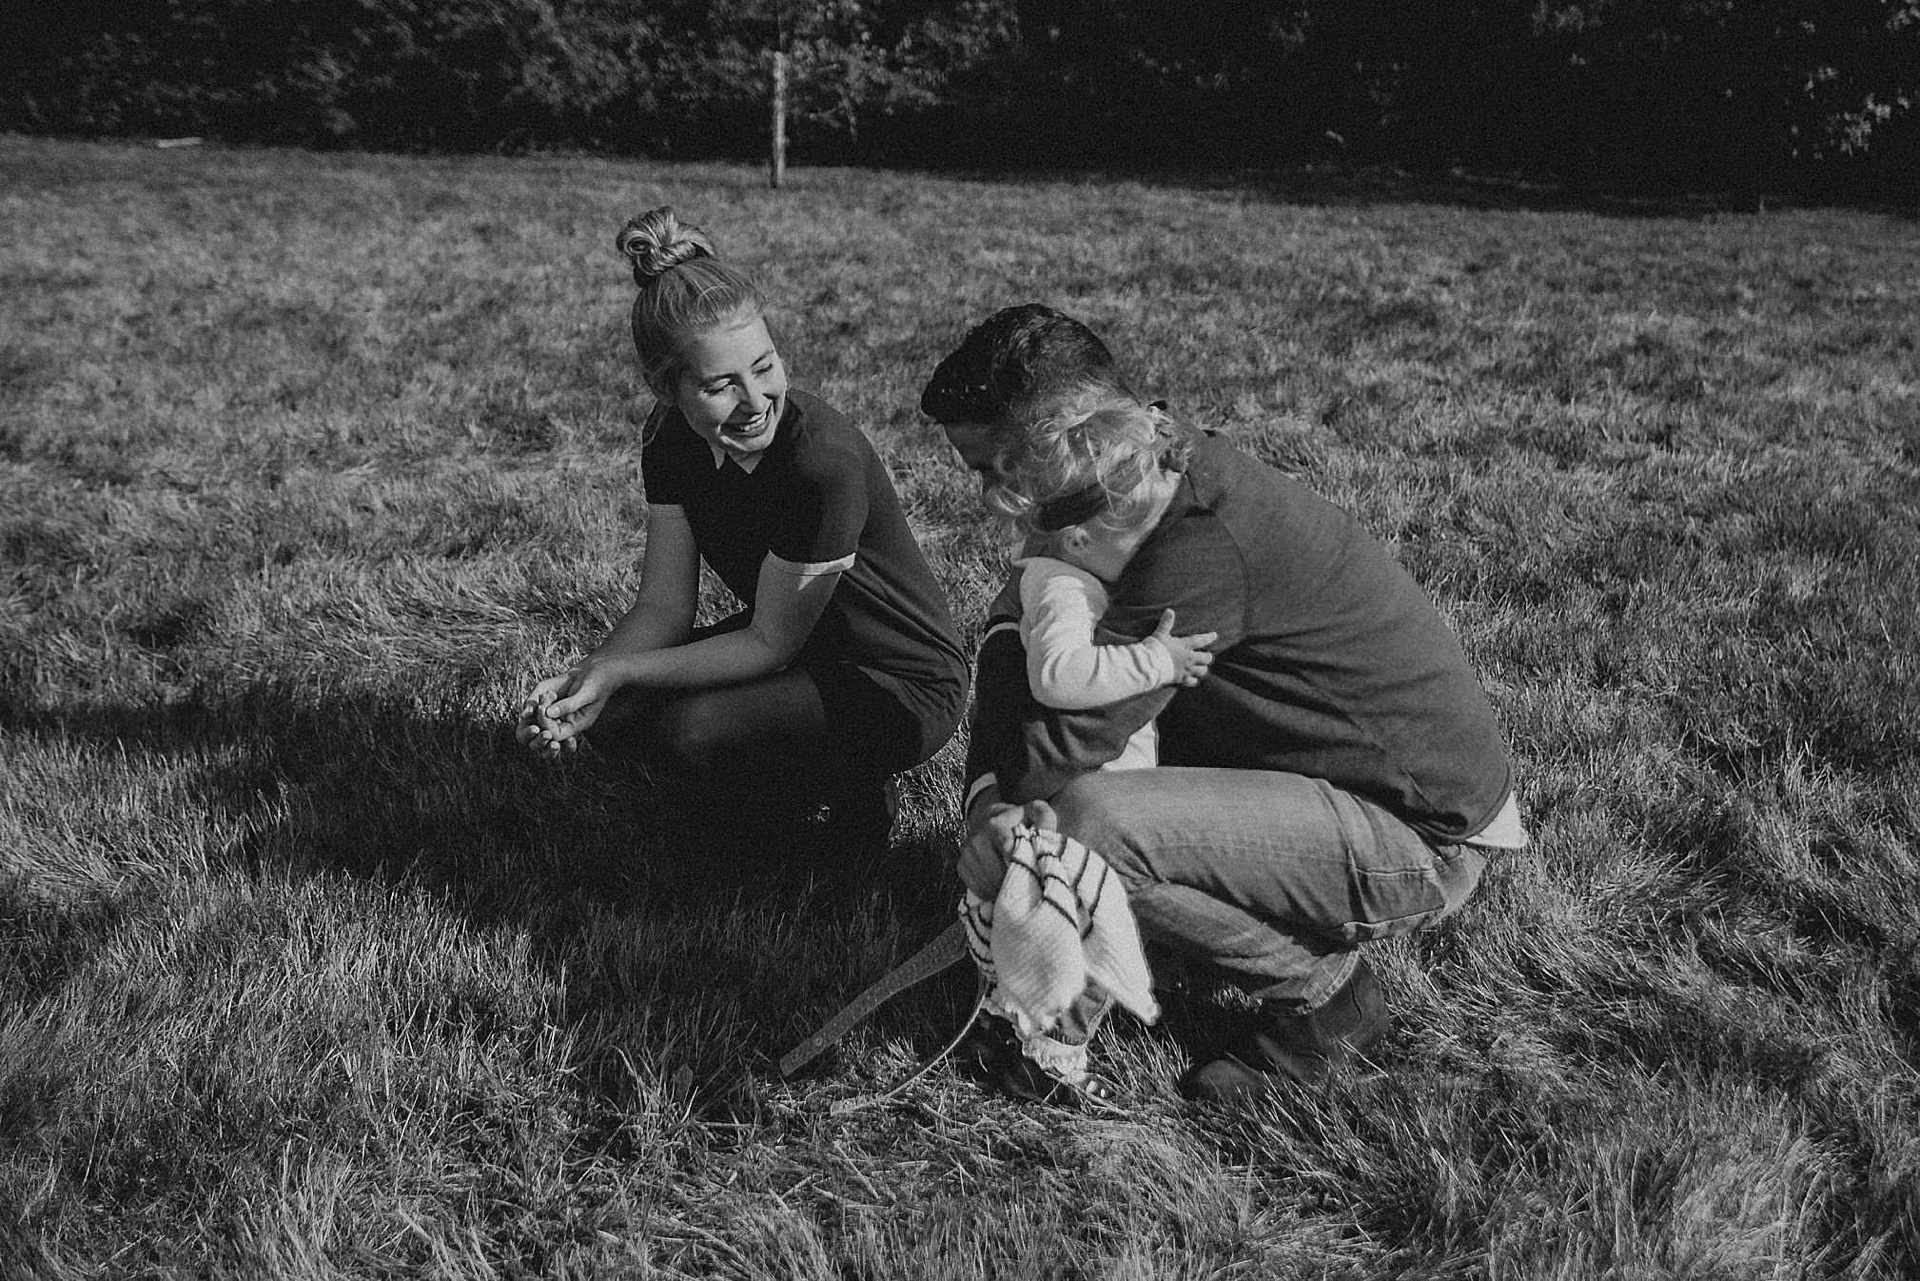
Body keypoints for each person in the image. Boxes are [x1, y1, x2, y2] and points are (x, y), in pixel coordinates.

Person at [920, 303, 1529, 1106]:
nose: (993, 493)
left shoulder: (1198, 542)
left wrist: (1005, 812)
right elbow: (1020, 647)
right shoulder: (1131, 491)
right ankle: (1134, 955)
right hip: (1299, 770)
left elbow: (1064, 746)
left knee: (1085, 824)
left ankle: (1326, 994)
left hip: (1421, 838)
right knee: (1034, 635)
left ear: (1073, 439)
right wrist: (989, 802)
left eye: (996, 467)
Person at [515, 207, 969, 845]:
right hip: (799, 644)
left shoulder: (820, 463)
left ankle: (850, 795)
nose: (756, 401)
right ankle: (795, 786)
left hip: (895, 678)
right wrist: (586, 683)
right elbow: (664, 607)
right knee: (612, 718)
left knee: (693, 732)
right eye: (720, 385)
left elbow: (768, 646)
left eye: (764, 366)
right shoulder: (668, 442)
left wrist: (620, 670)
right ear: (667, 390)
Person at [999, 392, 1218, 772]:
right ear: (1080, 540)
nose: (1150, 551)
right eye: (1140, 539)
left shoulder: (1068, 571)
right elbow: (1058, 676)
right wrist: (1158, 661)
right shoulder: (1063, 590)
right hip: (1098, 786)